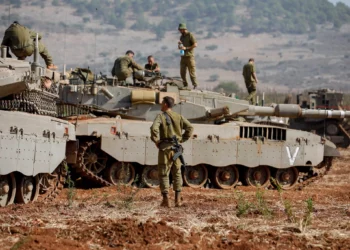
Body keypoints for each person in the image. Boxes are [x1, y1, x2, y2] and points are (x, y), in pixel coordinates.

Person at [150, 96, 193, 208]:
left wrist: (156, 141)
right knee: (177, 173)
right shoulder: (178, 116)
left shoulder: (160, 116)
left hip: (165, 149)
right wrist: (182, 139)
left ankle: (166, 201)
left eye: (162, 102)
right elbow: (190, 128)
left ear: (165, 104)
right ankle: (177, 200)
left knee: (164, 173)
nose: (160, 104)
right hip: (176, 149)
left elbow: (154, 129)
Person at [178, 23, 198, 89]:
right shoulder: (181, 37)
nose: (180, 31)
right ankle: (185, 85)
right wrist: (180, 45)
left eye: (181, 29)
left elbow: (195, 44)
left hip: (190, 57)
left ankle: (195, 85)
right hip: (183, 57)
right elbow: (180, 47)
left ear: (184, 29)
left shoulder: (190, 35)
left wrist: (186, 48)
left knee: (192, 72)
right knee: (182, 72)